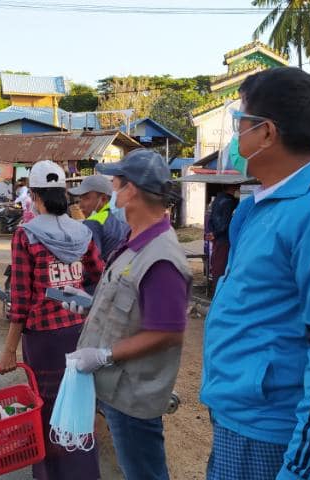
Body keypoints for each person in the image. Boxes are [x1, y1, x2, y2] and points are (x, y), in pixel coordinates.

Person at [200, 68, 310, 480]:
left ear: (267, 133)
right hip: (237, 420)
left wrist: (302, 469)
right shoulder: (256, 207)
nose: (236, 133)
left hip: (279, 438)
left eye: (242, 121)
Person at [66, 149, 191, 480]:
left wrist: (105, 354)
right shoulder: (135, 240)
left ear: (131, 189)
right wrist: (90, 303)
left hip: (134, 394)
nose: (113, 188)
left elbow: (168, 332)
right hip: (117, 388)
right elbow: (130, 302)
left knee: (144, 474)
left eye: (116, 182)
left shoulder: (161, 256)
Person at [0, 160, 104, 480]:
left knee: (47, 409)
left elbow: (22, 299)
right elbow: (99, 275)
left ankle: (51, 474)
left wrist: (9, 349)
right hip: (78, 332)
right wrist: (71, 294)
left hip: (43, 339)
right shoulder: (82, 231)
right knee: (80, 405)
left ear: (34, 195)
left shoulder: (26, 235)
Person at [68, 174, 130, 261]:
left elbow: (91, 261)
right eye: (80, 199)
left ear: (103, 199)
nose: (80, 205)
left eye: (86, 198)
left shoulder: (93, 222)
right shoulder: (125, 218)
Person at [205, 184, 240, 284]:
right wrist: (215, 233)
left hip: (217, 238)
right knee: (222, 266)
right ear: (232, 187)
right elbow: (226, 223)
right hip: (224, 238)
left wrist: (212, 233)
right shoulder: (229, 202)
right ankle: (218, 290)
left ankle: (216, 287)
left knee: (217, 264)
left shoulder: (217, 199)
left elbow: (210, 219)